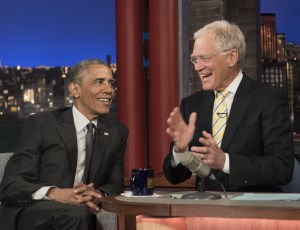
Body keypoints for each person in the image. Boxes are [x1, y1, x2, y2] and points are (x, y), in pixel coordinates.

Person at [163, 20, 294, 193]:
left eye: (204, 58)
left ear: (232, 57)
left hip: (253, 212)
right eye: (195, 59)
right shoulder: (191, 105)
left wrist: (225, 161)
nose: (198, 67)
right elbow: (174, 177)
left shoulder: (268, 99)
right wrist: (179, 152)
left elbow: (282, 168)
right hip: (204, 210)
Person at [0, 59, 129, 230]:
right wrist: (55, 193)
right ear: (75, 90)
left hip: (80, 212)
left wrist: (97, 195)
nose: (109, 90)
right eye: (99, 82)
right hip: (35, 211)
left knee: (81, 214)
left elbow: (115, 183)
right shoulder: (42, 124)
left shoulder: (117, 132)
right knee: (78, 215)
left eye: (111, 83)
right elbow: (11, 185)